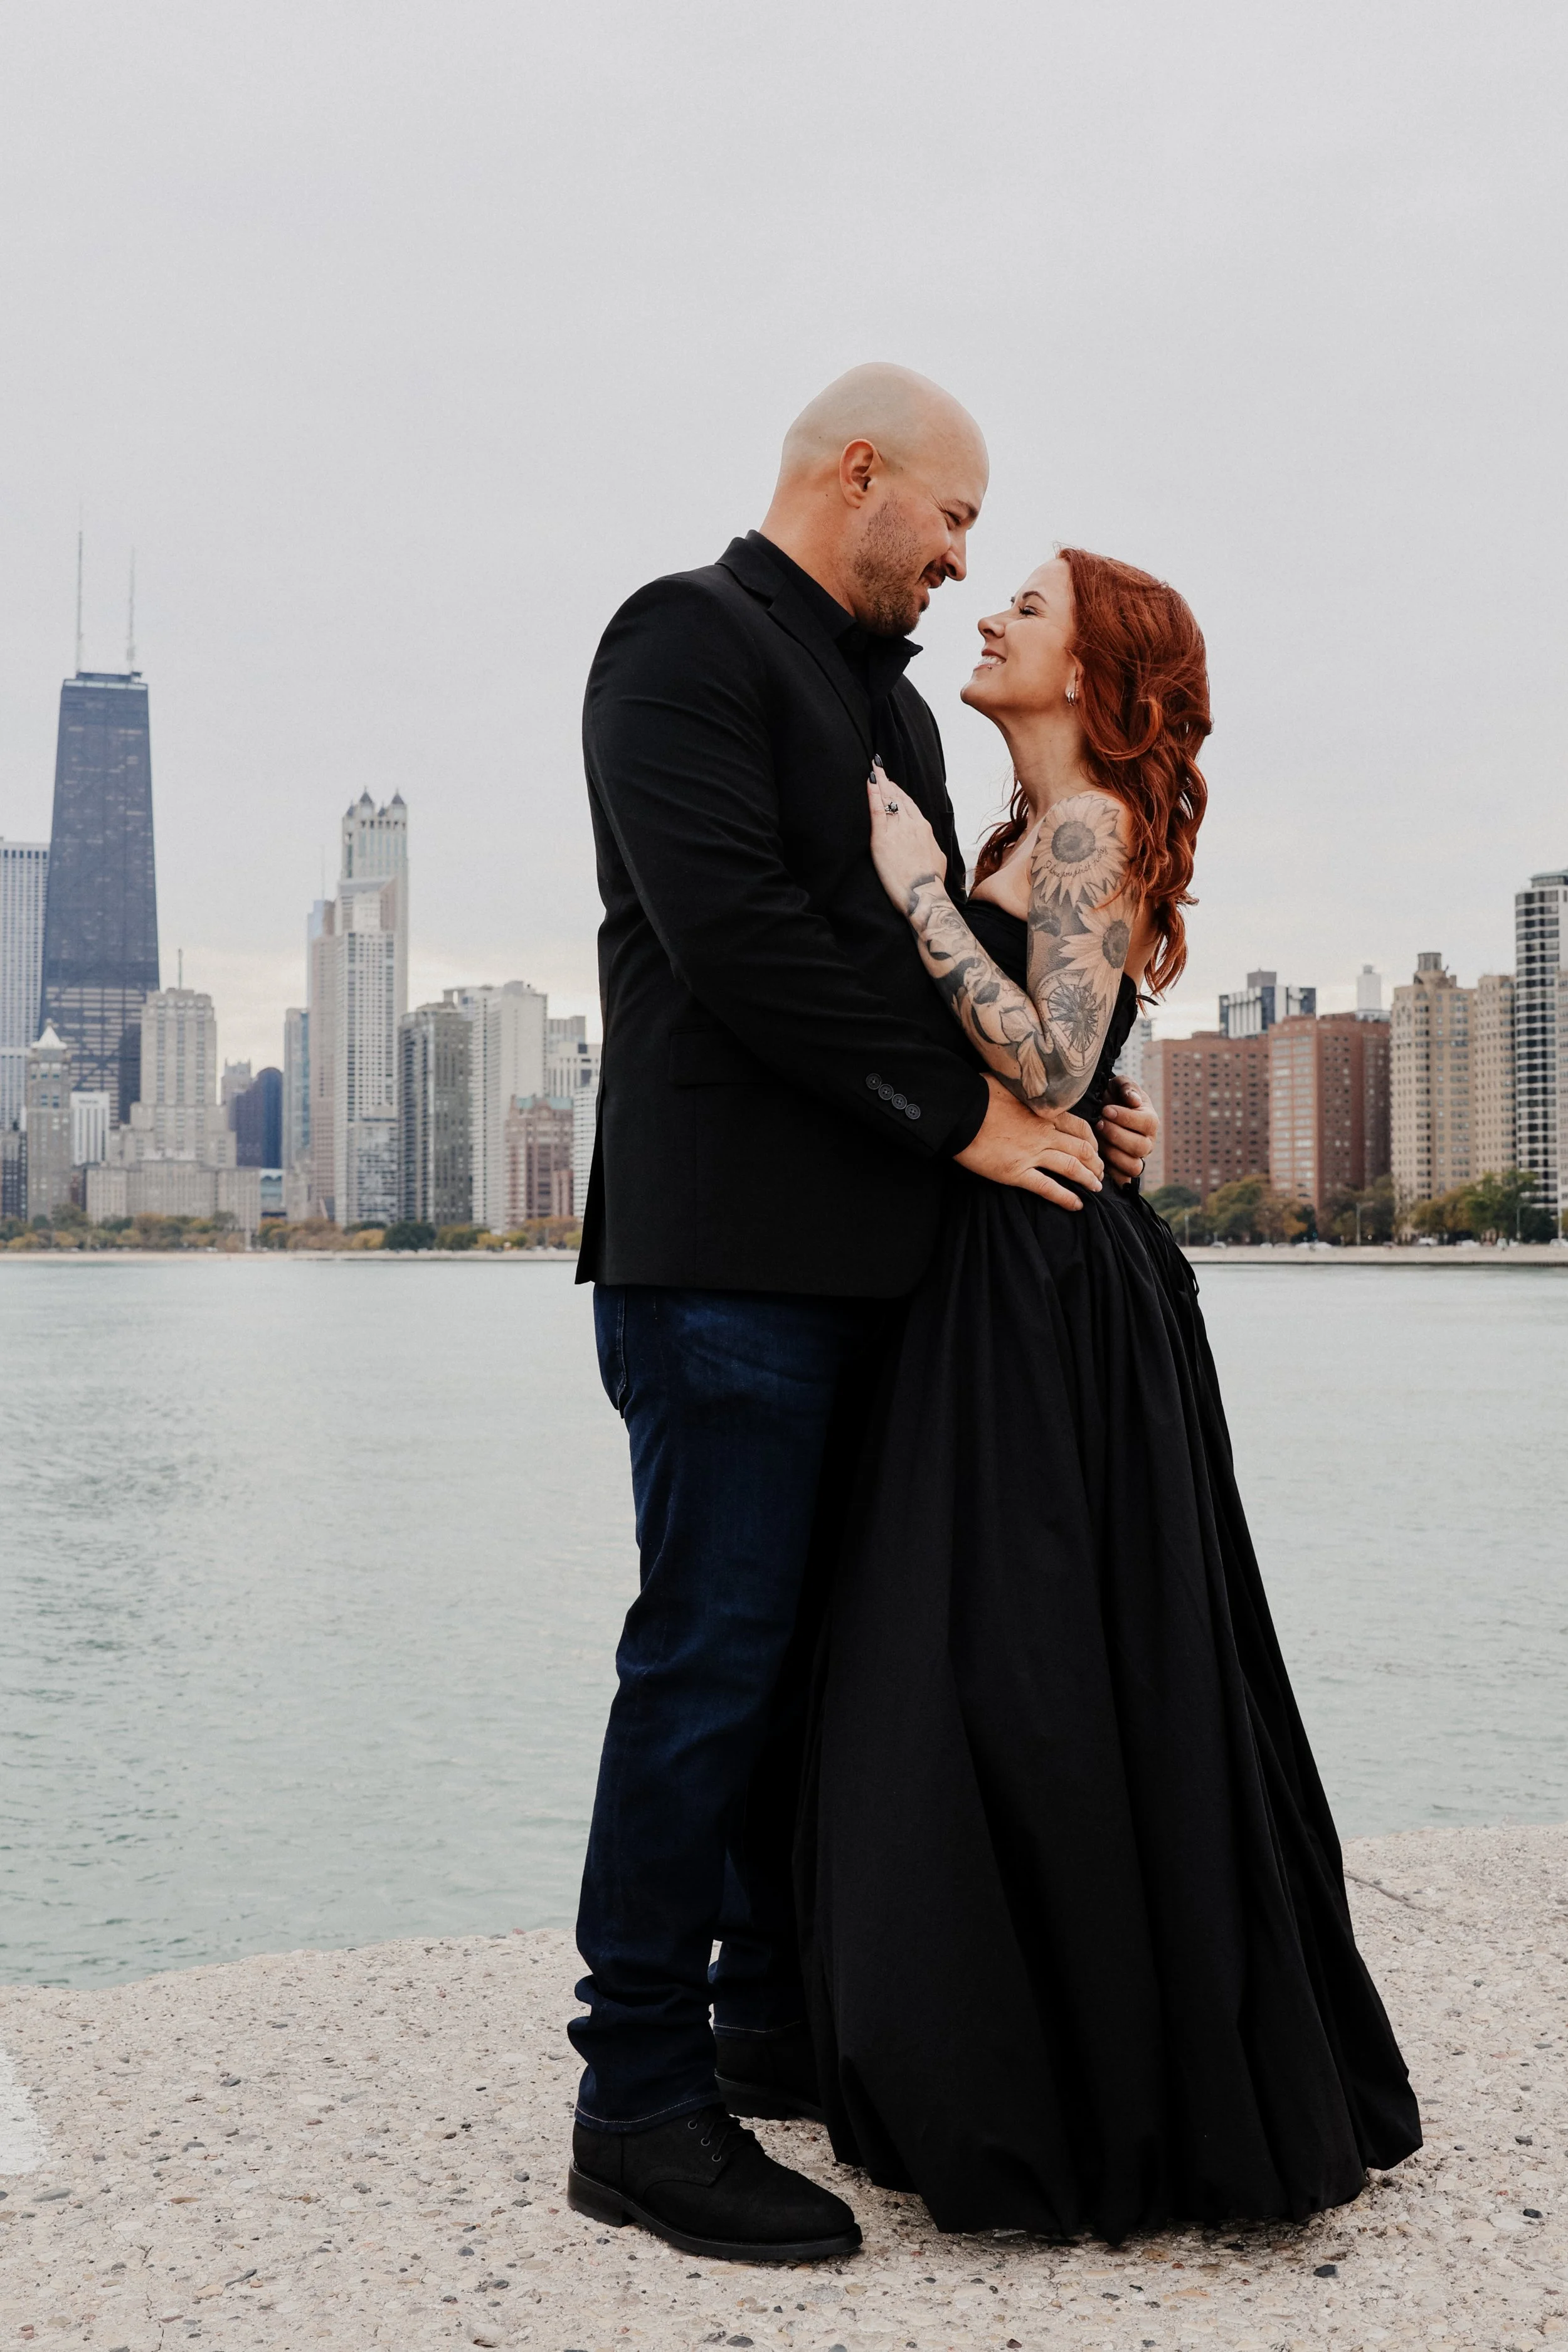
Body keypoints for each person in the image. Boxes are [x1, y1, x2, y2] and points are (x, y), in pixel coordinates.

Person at [564, 367, 1161, 2263]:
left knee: (814, 1668)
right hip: (722, 1263)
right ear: (858, 473)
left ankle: (762, 2017)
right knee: (709, 1660)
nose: (963, 559)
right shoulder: (680, 640)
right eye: (954, 521)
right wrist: (966, 1119)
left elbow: (937, 961)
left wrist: (1077, 1093)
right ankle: (636, 2097)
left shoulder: (895, 702)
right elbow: (740, 937)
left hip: (876, 1271)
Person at [798, 547, 1423, 2239]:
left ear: (1088, 674)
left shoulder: (1075, 830)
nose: (989, 620)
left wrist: (914, 887)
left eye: (1027, 608)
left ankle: (1082, 2087)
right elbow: (1090, 1059)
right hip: (1009, 1268)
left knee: (1034, 1668)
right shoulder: (1030, 830)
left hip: (1044, 1296)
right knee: (1004, 1663)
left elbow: (1052, 1060)